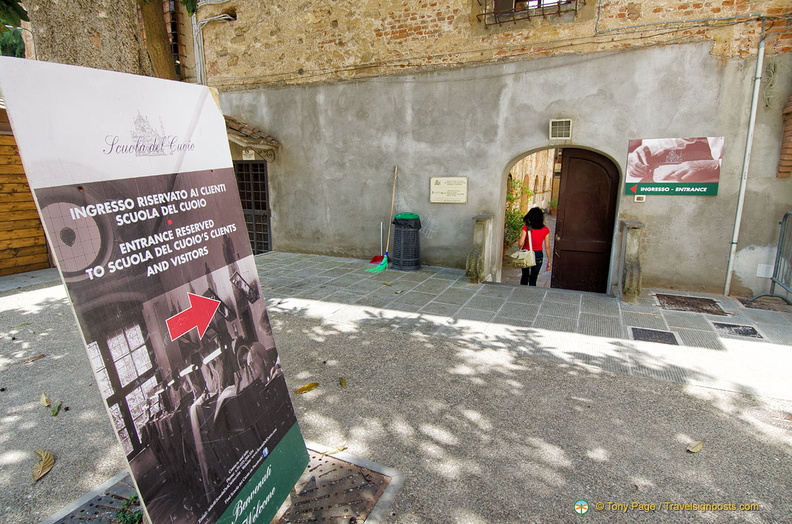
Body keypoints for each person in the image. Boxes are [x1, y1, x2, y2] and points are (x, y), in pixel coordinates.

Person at [518, 207, 551, 286]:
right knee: (534, 277)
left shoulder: (526, 227)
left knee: (525, 275)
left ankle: (521, 292)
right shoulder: (546, 230)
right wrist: (549, 261)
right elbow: (547, 247)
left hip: (526, 253)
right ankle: (531, 293)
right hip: (538, 254)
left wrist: (519, 245)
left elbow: (520, 243)